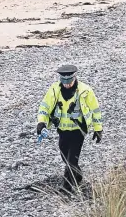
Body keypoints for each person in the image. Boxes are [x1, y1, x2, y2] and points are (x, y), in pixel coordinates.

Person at [36, 64, 103, 193]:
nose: (66, 84)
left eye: (69, 81)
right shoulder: (54, 90)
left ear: (74, 77)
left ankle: (66, 188)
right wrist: (41, 122)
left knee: (72, 160)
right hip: (62, 131)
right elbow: (44, 107)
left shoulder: (85, 91)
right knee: (65, 157)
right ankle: (77, 176)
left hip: (78, 131)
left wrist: (98, 129)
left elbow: (96, 110)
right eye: (64, 81)